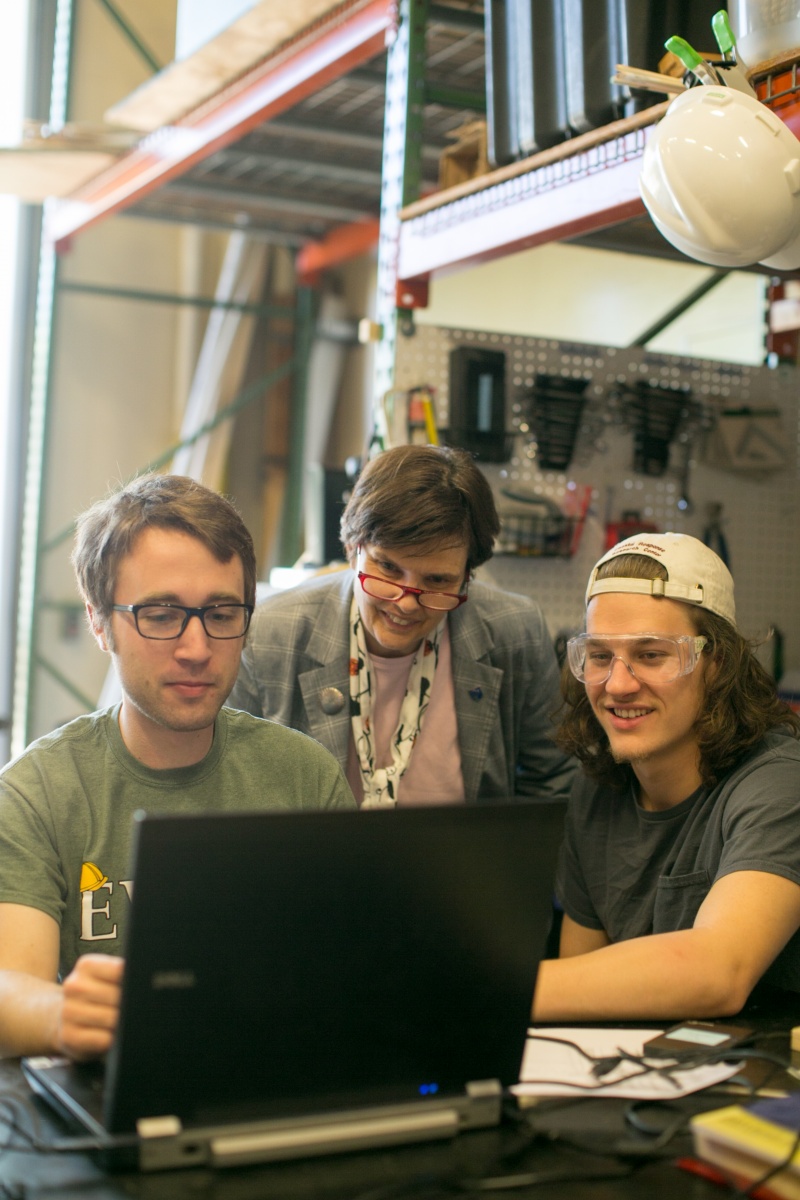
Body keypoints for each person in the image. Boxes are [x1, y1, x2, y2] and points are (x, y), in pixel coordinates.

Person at [0, 474, 354, 1061]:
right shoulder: (40, 791)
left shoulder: (303, 776)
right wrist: (63, 1015)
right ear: (98, 621)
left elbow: (355, 967)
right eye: (161, 615)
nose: (196, 648)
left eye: (221, 613)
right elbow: (11, 987)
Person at [533, 532, 800, 1022]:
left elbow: (718, 973)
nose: (617, 684)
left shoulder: (779, 786)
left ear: (716, 664)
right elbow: (580, 984)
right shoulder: (597, 790)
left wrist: (487, 991)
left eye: (651, 655)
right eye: (598, 655)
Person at [229, 444, 574, 807]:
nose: (406, 602)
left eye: (438, 580)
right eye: (389, 568)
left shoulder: (515, 633)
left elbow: (552, 786)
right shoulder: (269, 635)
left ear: (467, 578)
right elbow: (241, 793)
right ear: (353, 549)